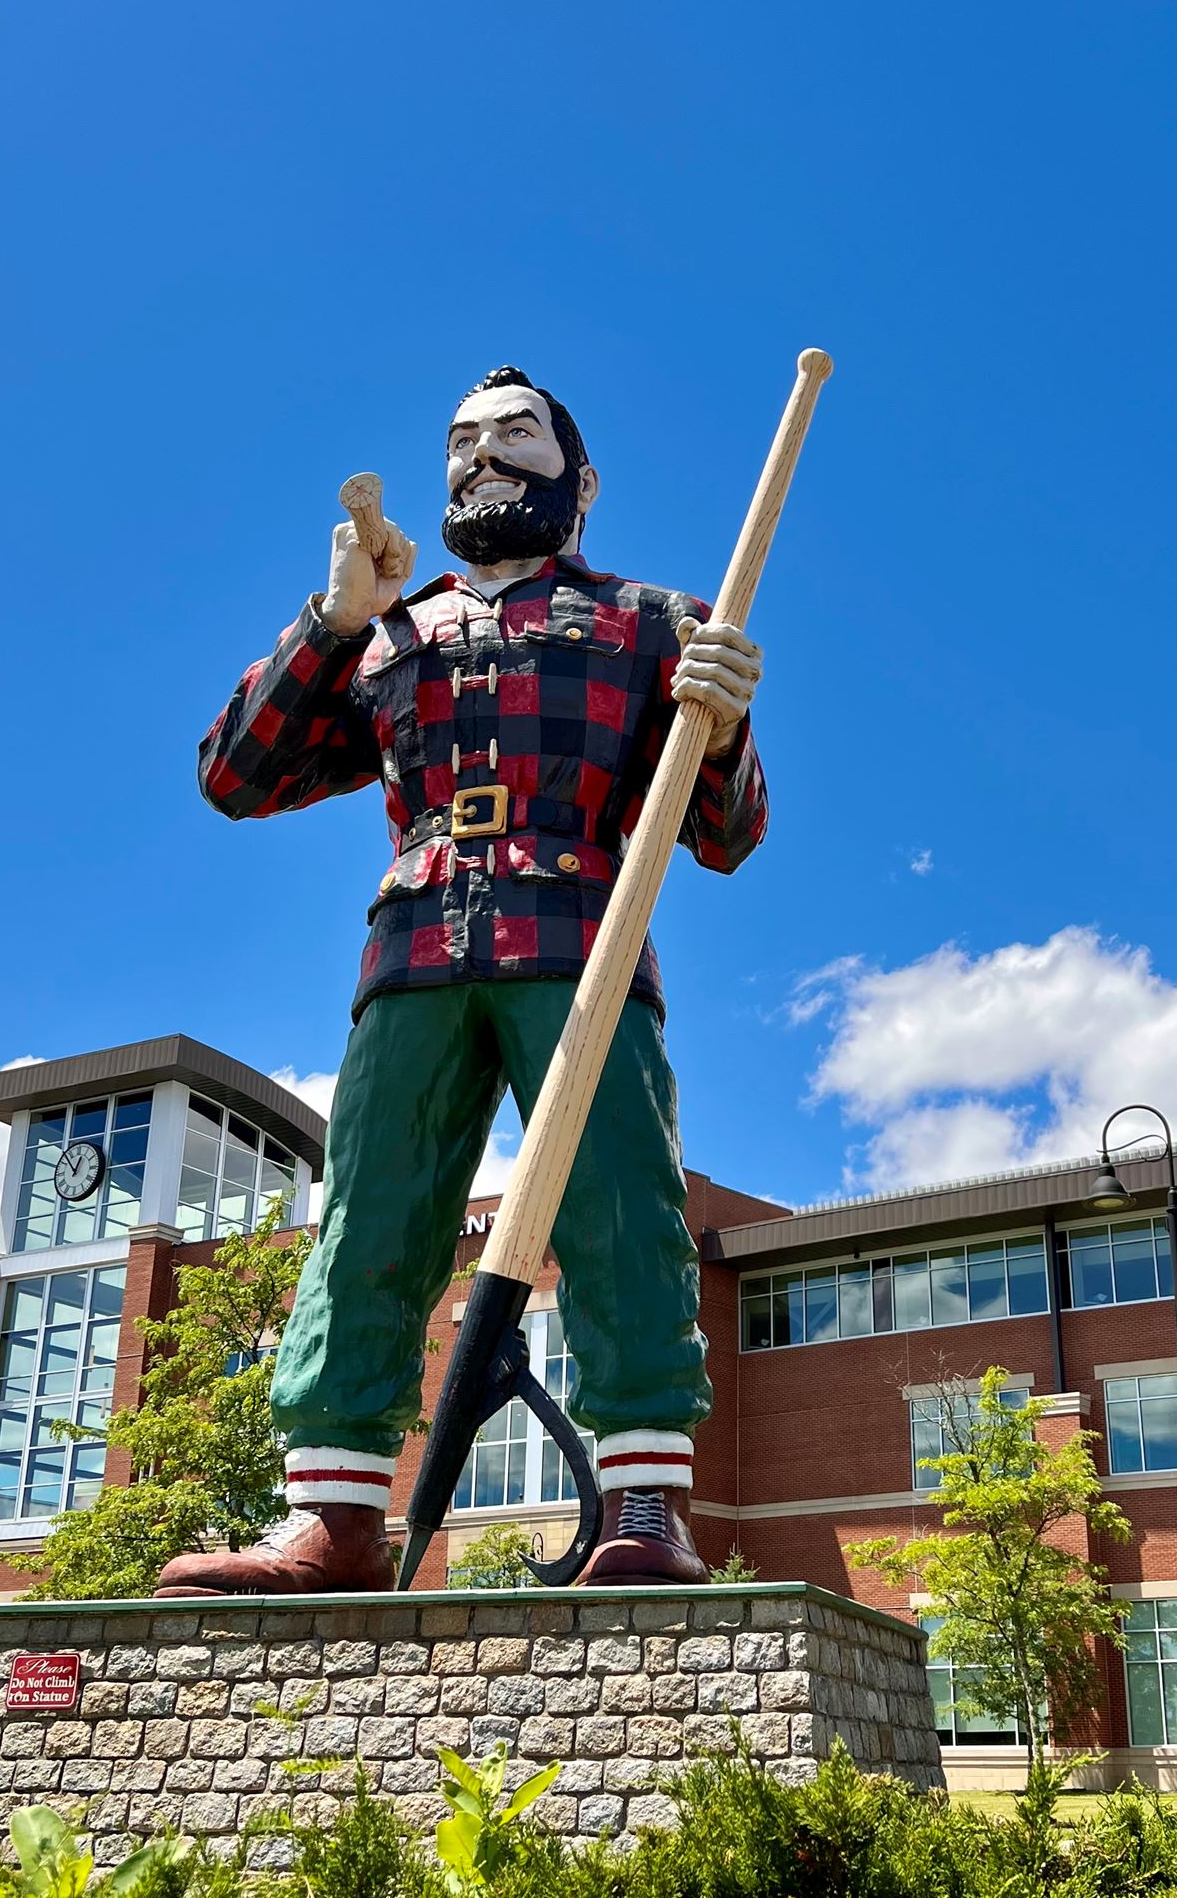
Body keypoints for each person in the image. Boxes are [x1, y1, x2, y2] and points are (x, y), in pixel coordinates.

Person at [155, 368, 766, 1596]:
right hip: (415, 941)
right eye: (461, 442)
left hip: (586, 936)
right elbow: (235, 772)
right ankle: (331, 1520)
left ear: (579, 481)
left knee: (616, 1202)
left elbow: (725, 830)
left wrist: (725, 721)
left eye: (514, 434)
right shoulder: (390, 633)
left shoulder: (656, 620)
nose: (481, 458)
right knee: (367, 1215)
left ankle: (643, 1503)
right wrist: (330, 619)